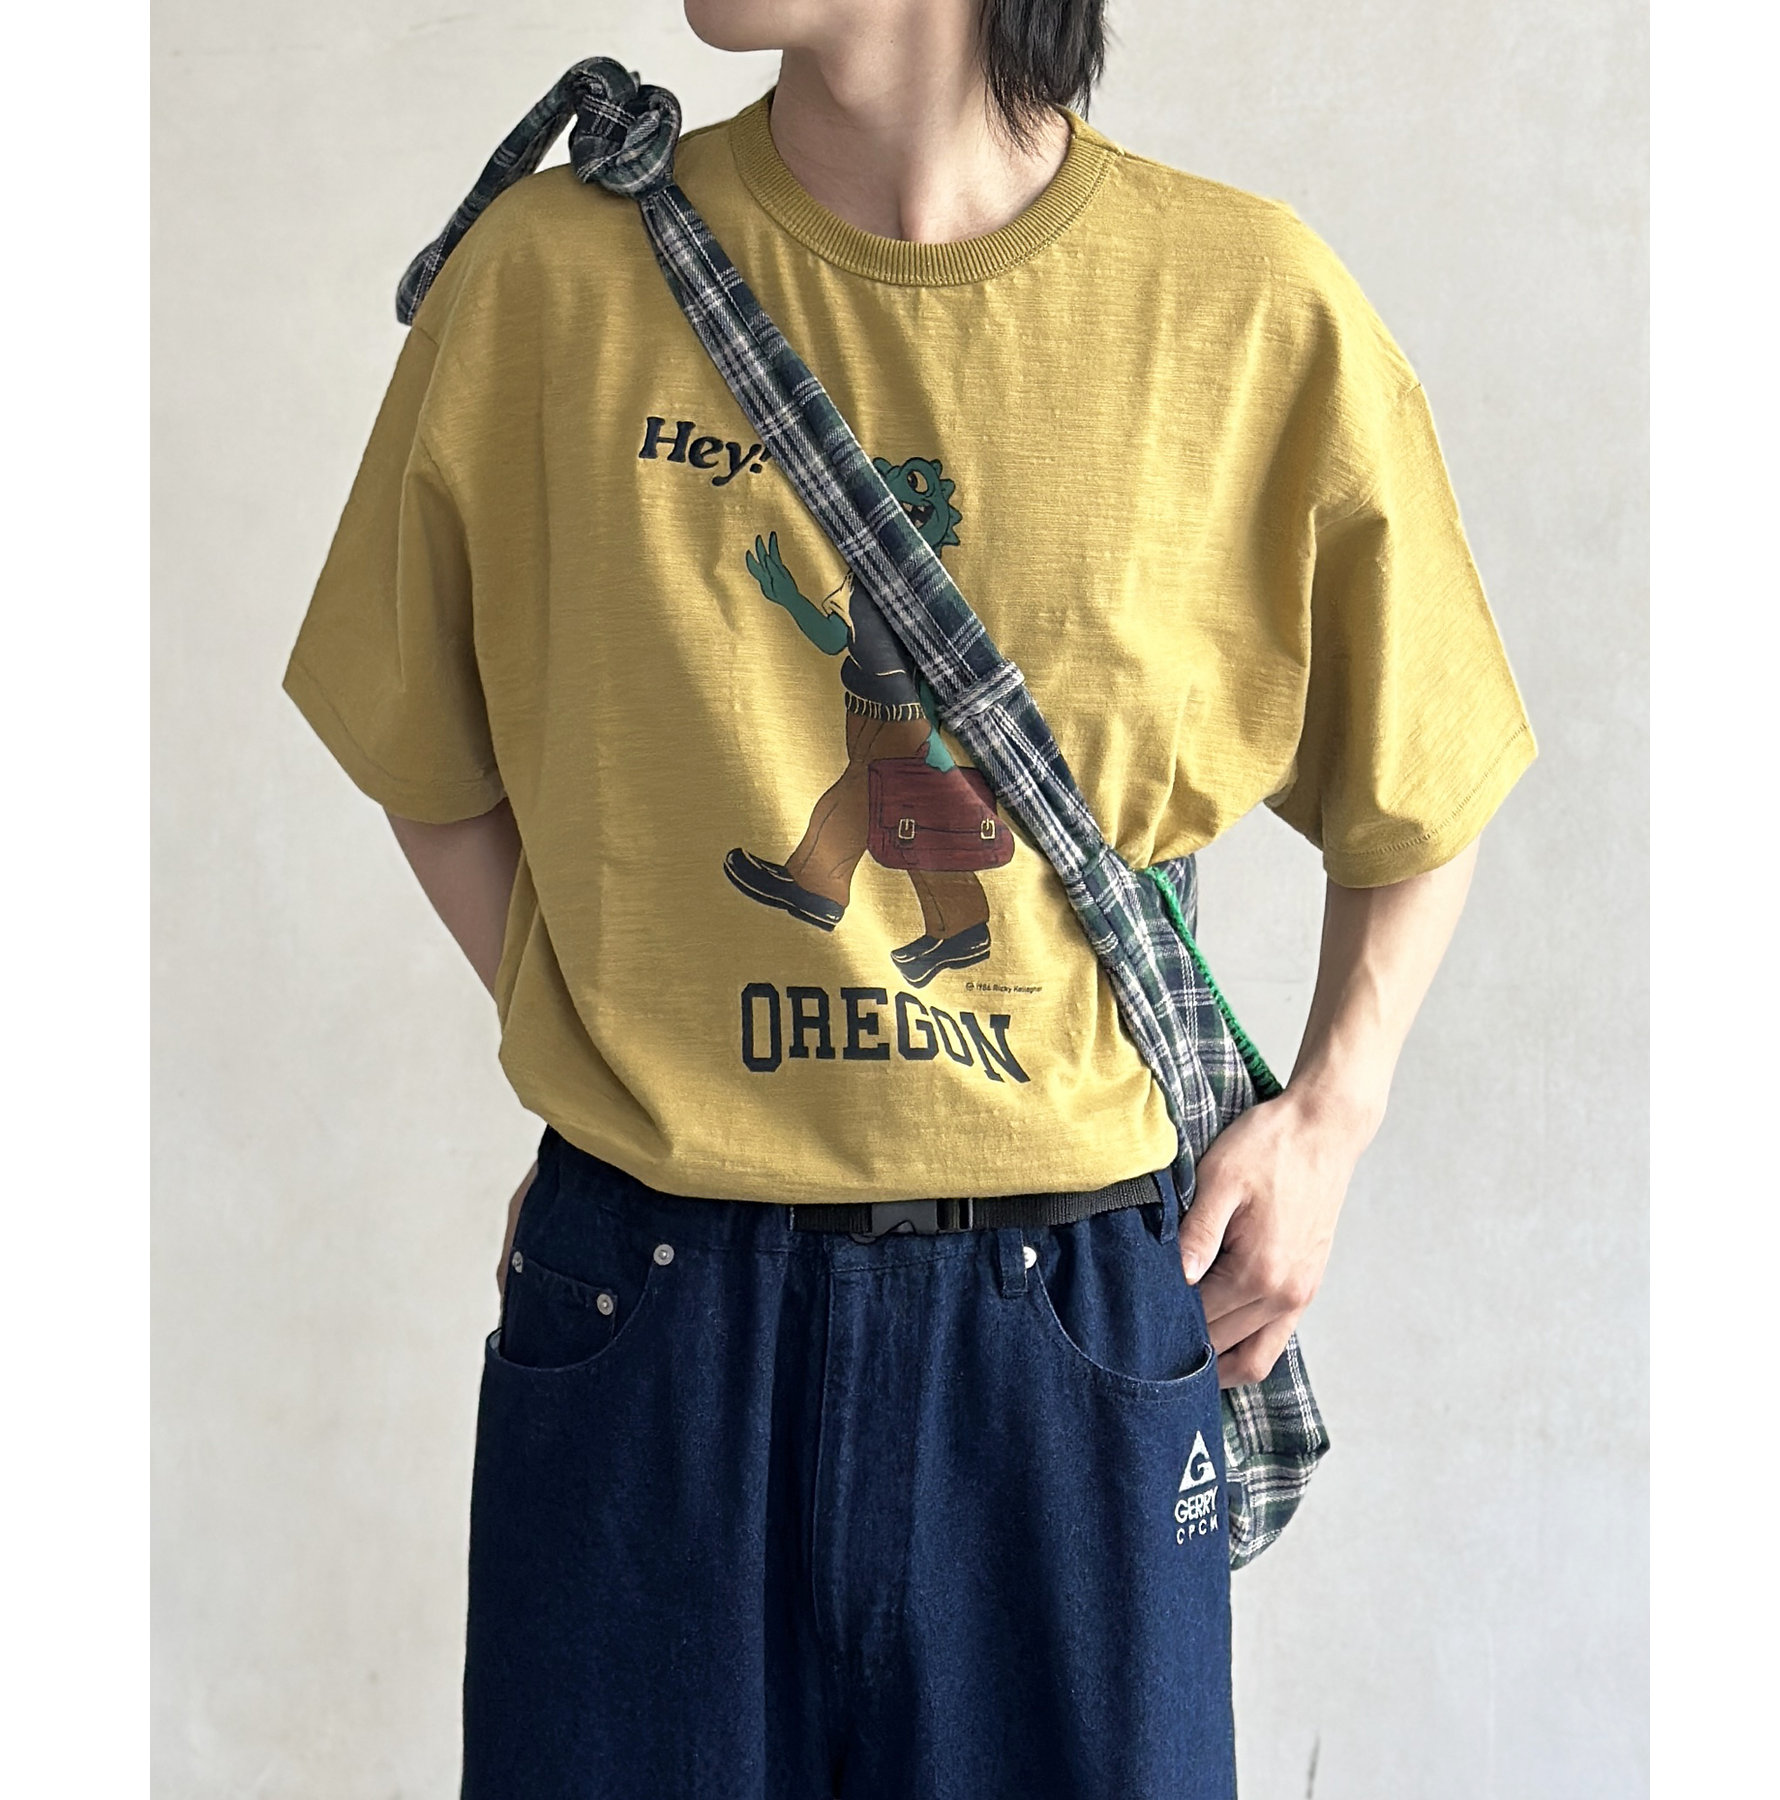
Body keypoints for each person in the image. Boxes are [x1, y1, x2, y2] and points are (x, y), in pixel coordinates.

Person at [281, 2, 1536, 1794]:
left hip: (1069, 1328)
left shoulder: (1243, 308)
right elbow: (420, 741)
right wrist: (616, 1034)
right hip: (649, 1312)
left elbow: (1424, 775)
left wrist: (1331, 1120)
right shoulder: (553, 279)